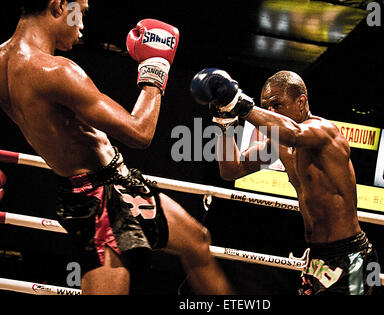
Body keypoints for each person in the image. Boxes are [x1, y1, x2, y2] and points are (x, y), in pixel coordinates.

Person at [0, 0, 234, 295]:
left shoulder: (3, 61)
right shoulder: (55, 71)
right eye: (80, 12)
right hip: (98, 198)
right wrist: (156, 69)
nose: (82, 25)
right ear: (59, 5)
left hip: (114, 182)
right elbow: (140, 132)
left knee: (197, 241)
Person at [190, 68, 378, 295]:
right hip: (317, 256)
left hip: (351, 256)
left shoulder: (325, 132)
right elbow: (232, 170)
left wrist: (239, 103)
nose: (269, 112)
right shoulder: (279, 144)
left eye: (276, 105)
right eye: (265, 106)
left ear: (301, 102)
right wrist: (225, 123)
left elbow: (294, 134)